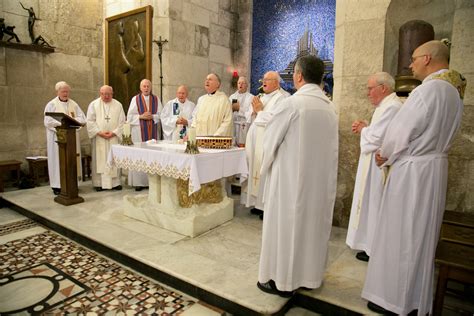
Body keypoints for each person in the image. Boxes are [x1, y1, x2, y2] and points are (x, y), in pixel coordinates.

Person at [362, 40, 465, 315]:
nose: (411, 64)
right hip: (435, 169)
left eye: (414, 58)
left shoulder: (426, 91)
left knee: (400, 232)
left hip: (413, 171)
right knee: (422, 235)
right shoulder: (454, 94)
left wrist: (384, 154)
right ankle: (414, 298)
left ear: (428, 58)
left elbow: (401, 131)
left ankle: (393, 300)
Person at [257, 55, 338, 296]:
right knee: (310, 229)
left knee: (286, 229)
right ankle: (309, 278)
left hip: (289, 183)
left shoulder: (292, 104)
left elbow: (270, 141)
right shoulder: (329, 107)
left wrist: (264, 168)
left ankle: (281, 280)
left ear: (299, 76)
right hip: (319, 184)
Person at [345, 72, 402, 262]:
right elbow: (380, 132)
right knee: (370, 203)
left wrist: (363, 130)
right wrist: (367, 125)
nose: (367, 93)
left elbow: (376, 138)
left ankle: (374, 247)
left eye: (370, 89)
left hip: (379, 166)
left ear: (383, 88)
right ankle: (368, 244)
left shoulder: (392, 107)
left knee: (375, 203)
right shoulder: (385, 106)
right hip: (372, 163)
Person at [241, 71, 287, 218]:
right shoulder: (260, 97)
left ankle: (266, 207)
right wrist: (254, 112)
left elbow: (275, 120)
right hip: (256, 143)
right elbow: (249, 115)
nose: (263, 82)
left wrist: (260, 111)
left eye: (268, 80)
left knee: (265, 172)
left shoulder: (283, 98)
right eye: (263, 80)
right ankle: (256, 204)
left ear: (277, 82)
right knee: (254, 170)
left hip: (268, 143)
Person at [44, 81, 86, 195]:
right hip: (57, 138)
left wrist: (73, 123)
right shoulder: (51, 104)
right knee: (58, 160)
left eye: (67, 91)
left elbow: (83, 118)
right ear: (57, 91)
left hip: (71, 137)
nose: (65, 93)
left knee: (72, 159)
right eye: (63, 91)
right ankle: (57, 186)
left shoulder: (74, 104)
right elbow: (47, 121)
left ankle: (72, 184)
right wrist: (61, 124)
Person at [86, 85, 126, 191]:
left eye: (108, 94)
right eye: (103, 94)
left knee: (114, 160)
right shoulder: (93, 105)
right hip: (99, 137)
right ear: (100, 93)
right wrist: (99, 133)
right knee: (100, 160)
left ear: (112, 94)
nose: (106, 96)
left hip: (113, 138)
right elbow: (90, 121)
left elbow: (122, 122)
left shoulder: (118, 105)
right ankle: (99, 183)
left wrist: (114, 133)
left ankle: (115, 183)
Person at [127, 79, 162, 191]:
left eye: (148, 86)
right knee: (139, 154)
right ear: (140, 88)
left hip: (152, 131)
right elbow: (130, 117)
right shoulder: (135, 99)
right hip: (138, 132)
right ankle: (139, 182)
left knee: (152, 155)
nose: (146, 88)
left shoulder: (156, 99)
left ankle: (151, 182)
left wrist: (153, 117)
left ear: (150, 87)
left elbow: (161, 115)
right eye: (144, 86)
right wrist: (141, 116)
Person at [229, 76, 254, 146]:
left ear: (247, 85)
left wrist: (240, 109)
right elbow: (227, 112)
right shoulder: (232, 97)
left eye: (243, 83)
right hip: (233, 124)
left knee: (243, 146)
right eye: (239, 83)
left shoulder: (251, 97)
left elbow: (251, 113)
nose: (241, 85)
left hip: (244, 126)